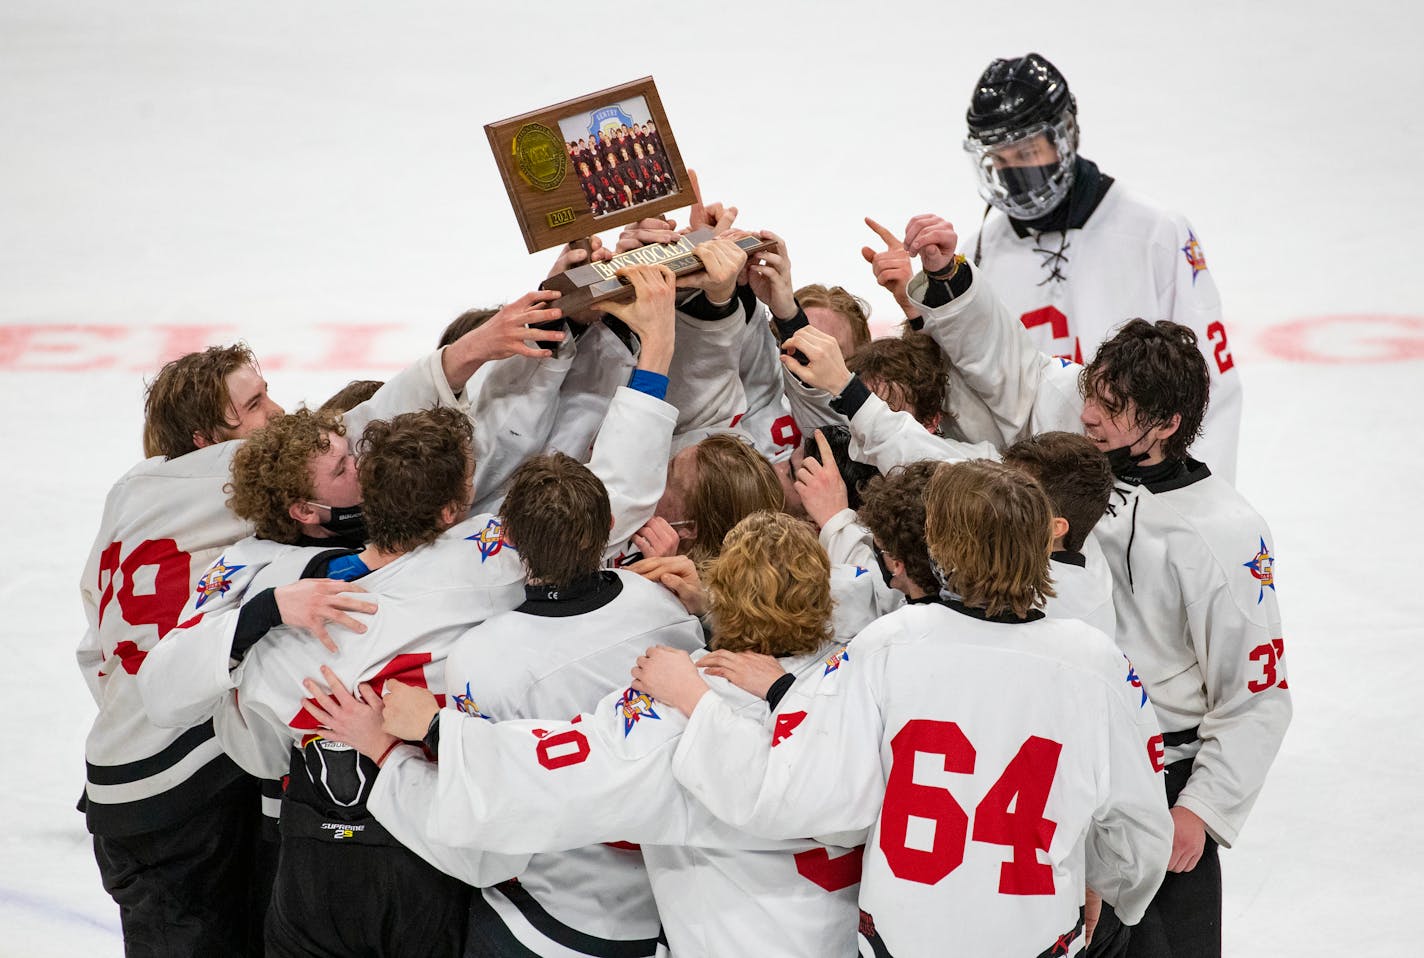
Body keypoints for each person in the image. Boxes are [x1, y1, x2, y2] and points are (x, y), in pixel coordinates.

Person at [77, 296, 565, 954]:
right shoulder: (238, 512)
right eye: (252, 408)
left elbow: (94, 647)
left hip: (127, 766)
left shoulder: (133, 491)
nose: (275, 413)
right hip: (169, 789)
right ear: (208, 442)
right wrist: (472, 348)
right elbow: (361, 423)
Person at [896, 219, 1292, 957]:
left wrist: (1200, 811)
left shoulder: (1225, 535)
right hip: (1054, 758)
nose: (1086, 415)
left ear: (1168, 424)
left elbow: (1258, 695)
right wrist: (947, 279)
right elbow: (1012, 364)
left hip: (1158, 786)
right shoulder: (1084, 434)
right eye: (1092, 394)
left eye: (1111, 409)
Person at [638, 460, 1174, 956]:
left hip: (904, 939)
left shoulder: (886, 644)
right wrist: (1108, 881)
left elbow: (798, 793)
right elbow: (1139, 829)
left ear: (940, 546)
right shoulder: (1098, 662)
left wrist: (698, 699)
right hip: (1036, 937)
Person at [307, 511, 865, 957]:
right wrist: (713, 616)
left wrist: (420, 733)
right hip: (840, 933)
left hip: (741, 938)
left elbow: (549, 776)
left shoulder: (677, 705)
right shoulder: (857, 674)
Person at [959, 52, 1243, 481]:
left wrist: (1190, 502)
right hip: (1032, 510)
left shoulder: (1154, 233)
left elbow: (1208, 388)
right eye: (1000, 159)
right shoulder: (981, 251)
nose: (1014, 171)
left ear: (1065, 136)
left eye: (1026, 152)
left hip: (1142, 496)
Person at [1002, 431, 1117, 638]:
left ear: (1056, 528)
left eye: (1012, 498)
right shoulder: (1074, 525)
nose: (994, 499)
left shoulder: (1045, 601)